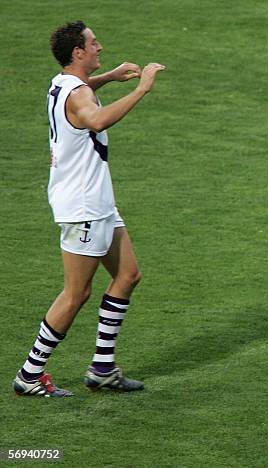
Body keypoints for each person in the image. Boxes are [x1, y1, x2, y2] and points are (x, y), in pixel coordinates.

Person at [13, 21, 165, 397]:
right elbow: (95, 118)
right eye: (93, 43)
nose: (100, 47)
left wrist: (110, 77)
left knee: (128, 275)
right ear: (78, 53)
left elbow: (82, 97)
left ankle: (102, 368)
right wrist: (142, 88)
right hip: (84, 206)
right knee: (75, 293)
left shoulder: (62, 83)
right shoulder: (78, 95)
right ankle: (30, 374)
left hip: (95, 202)